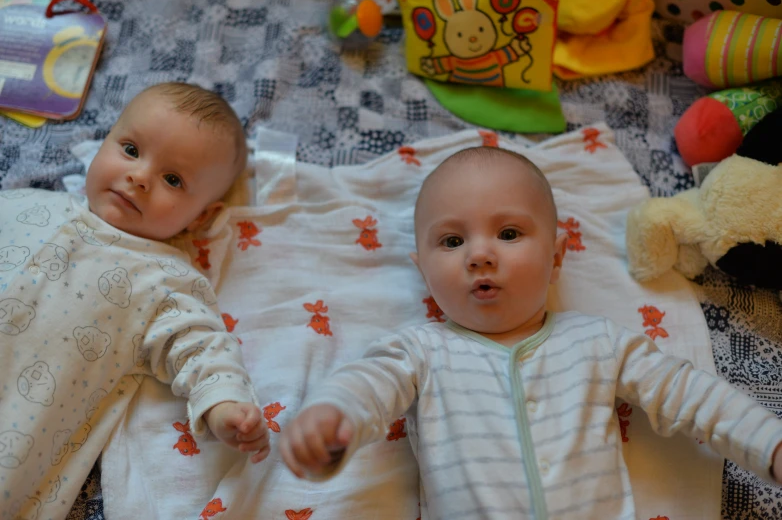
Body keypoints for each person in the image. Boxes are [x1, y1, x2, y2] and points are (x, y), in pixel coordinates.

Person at [279, 146, 782, 519]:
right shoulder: (421, 351)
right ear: (423, 269)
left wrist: (771, 445)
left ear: (557, 257)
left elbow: (691, 394)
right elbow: (368, 386)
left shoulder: (597, 342)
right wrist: (331, 419)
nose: (479, 254)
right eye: (452, 241)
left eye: (509, 233)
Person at [0, 83, 268, 520]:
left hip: (19, 425)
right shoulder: (22, 202)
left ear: (199, 217)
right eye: (129, 149)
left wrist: (223, 405)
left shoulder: (168, 279)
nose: (140, 176)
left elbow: (202, 348)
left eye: (173, 179)